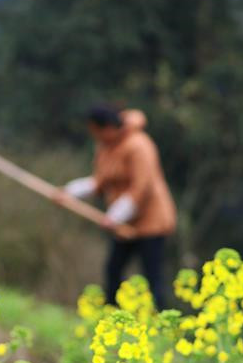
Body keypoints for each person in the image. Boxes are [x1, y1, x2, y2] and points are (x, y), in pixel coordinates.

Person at [55, 104, 177, 309]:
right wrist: (69, 192)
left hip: (151, 222)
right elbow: (99, 181)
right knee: (113, 270)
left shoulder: (139, 145)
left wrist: (116, 215)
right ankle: (111, 318)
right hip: (122, 224)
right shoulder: (105, 146)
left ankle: (161, 325)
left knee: (152, 275)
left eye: (97, 131)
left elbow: (142, 188)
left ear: (109, 127)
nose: (95, 136)